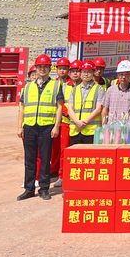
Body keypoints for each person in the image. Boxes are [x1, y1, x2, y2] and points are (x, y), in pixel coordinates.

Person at [17, 55, 63, 201]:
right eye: (39, 67)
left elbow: (59, 107)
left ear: (50, 69)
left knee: (45, 158)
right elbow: (22, 108)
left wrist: (56, 126)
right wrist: (19, 127)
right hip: (30, 126)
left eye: (45, 67)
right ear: (35, 69)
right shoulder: (27, 87)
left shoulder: (56, 85)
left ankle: (44, 189)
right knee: (29, 159)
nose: (42, 69)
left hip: (46, 127)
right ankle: (29, 188)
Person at [66, 61, 106, 146]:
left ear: (93, 73)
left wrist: (85, 122)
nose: (86, 74)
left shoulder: (99, 89)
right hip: (75, 130)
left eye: (89, 72)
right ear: (80, 73)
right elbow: (70, 109)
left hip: (91, 131)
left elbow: (99, 109)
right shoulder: (74, 89)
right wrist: (77, 122)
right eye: (84, 71)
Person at [51, 56, 72, 188]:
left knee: (64, 149)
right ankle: (53, 169)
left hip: (65, 122)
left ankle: (62, 175)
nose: (62, 71)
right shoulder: (53, 83)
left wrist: (65, 111)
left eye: (64, 68)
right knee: (54, 149)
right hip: (53, 122)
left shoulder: (72, 84)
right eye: (60, 68)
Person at [102, 59, 130, 124]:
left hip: (128, 127)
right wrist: (104, 126)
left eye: (126, 74)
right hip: (112, 126)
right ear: (117, 75)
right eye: (121, 74)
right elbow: (105, 110)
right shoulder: (110, 90)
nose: (123, 77)